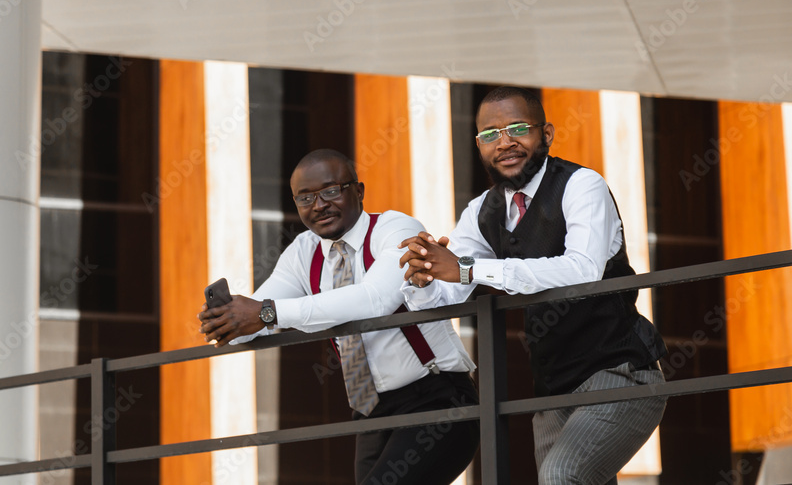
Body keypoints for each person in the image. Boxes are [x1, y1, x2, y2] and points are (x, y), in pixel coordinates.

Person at [399, 86, 667, 485]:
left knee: (561, 476)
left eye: (518, 128)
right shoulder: (480, 212)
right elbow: (451, 291)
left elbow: (582, 269)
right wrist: (423, 278)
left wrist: (470, 270)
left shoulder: (582, 185)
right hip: (552, 388)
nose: (504, 143)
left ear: (546, 134)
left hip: (621, 371)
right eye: (490, 134)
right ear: (478, 144)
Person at [197, 149, 479, 485]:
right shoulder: (304, 252)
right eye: (305, 198)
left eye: (331, 191)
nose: (318, 205)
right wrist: (228, 321)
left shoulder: (395, 228)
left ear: (358, 191)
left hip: (437, 399)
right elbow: (259, 315)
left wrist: (266, 313)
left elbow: (374, 300)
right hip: (370, 411)